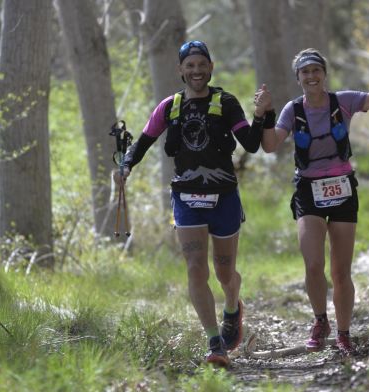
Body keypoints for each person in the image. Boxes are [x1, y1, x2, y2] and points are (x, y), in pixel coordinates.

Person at [114, 40, 269, 367]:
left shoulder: (225, 103)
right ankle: (215, 344)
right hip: (186, 198)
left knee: (225, 274)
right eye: (190, 65)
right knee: (195, 269)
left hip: (224, 197)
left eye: (202, 65)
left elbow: (252, 145)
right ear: (180, 70)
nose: (196, 71)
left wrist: (260, 115)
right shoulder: (169, 106)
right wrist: (125, 165)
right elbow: (142, 143)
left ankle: (232, 307)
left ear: (211, 67)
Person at [256, 37, 369, 355]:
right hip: (308, 190)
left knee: (340, 270)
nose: (311, 76)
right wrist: (265, 113)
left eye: (316, 70)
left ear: (324, 73)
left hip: (342, 187)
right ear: (298, 78)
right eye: (305, 72)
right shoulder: (293, 111)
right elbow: (269, 145)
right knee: (313, 264)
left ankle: (344, 333)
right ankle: (321, 320)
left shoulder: (344, 101)